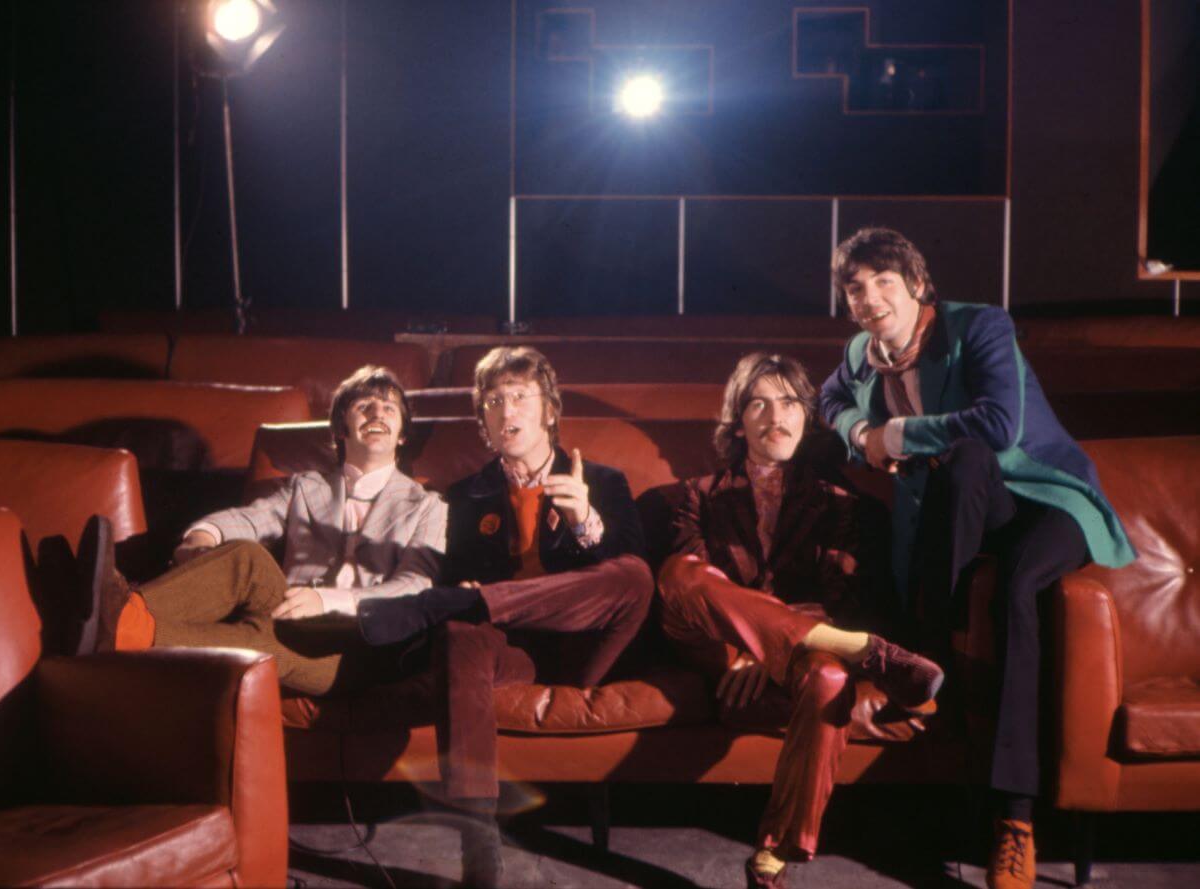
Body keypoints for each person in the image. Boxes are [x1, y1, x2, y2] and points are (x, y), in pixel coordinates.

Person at [819, 228, 1135, 889]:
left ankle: (1013, 819)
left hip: (1046, 501)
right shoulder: (860, 351)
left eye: (884, 281)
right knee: (961, 470)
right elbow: (829, 399)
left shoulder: (979, 326)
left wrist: (893, 433)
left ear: (917, 285)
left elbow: (997, 425)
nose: (870, 297)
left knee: (1015, 578)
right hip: (965, 512)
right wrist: (857, 432)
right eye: (856, 287)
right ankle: (939, 667)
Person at [355, 345, 653, 887]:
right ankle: (476, 830)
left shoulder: (604, 482)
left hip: (587, 646)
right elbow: (463, 572)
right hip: (510, 651)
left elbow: (630, 575)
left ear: (549, 410)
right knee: (461, 628)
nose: (507, 411)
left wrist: (586, 521)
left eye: (520, 397)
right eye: (493, 401)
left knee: (633, 576)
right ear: (483, 422)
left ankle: (468, 603)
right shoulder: (466, 497)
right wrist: (474, 596)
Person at [658, 351, 944, 889]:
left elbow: (848, 601)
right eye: (758, 404)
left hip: (800, 666)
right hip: (714, 654)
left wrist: (769, 649)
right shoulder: (696, 498)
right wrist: (741, 650)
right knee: (680, 574)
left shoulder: (844, 506)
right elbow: (691, 599)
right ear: (737, 422)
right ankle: (864, 650)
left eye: (789, 402)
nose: (775, 417)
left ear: (807, 416)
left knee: (832, 677)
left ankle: (774, 853)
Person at [75, 364, 447, 697]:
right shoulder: (307, 487)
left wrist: (327, 601)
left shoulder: (430, 506)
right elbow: (252, 518)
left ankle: (112, 614)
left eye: (389, 408)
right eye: (364, 405)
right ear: (340, 429)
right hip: (290, 619)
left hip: (364, 646)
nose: (377, 413)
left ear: (402, 436)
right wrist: (202, 536)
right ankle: (120, 622)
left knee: (261, 639)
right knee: (247, 560)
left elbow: (414, 586)